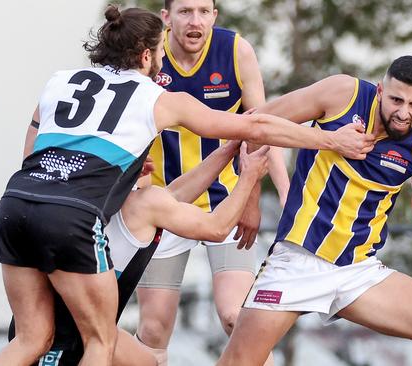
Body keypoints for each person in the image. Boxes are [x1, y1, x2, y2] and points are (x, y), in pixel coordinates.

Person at [0, 5, 373, 366]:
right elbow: (255, 124)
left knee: (29, 339)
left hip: (15, 205)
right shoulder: (156, 98)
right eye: (157, 53)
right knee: (100, 342)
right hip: (71, 220)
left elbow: (36, 139)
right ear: (145, 56)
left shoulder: (59, 80)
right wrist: (332, 140)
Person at [217, 56, 412, 366]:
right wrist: (250, 197)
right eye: (396, 100)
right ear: (380, 90)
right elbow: (255, 124)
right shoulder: (342, 94)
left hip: (358, 271)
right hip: (298, 260)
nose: (403, 113)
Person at [135, 1, 286, 364]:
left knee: (237, 318)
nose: (195, 21)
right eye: (186, 11)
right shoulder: (148, 55)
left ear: (215, 16)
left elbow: (262, 128)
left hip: (226, 203)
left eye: (204, 11)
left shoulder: (236, 51)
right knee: (154, 330)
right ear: (167, 18)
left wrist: (283, 196)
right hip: (164, 205)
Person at [26, 140, 269, 366]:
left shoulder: (137, 204)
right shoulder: (100, 211)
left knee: (146, 361)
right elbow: (217, 228)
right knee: (103, 343)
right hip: (65, 334)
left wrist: (228, 149)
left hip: (80, 326)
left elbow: (176, 194)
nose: (147, 168)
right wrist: (248, 178)